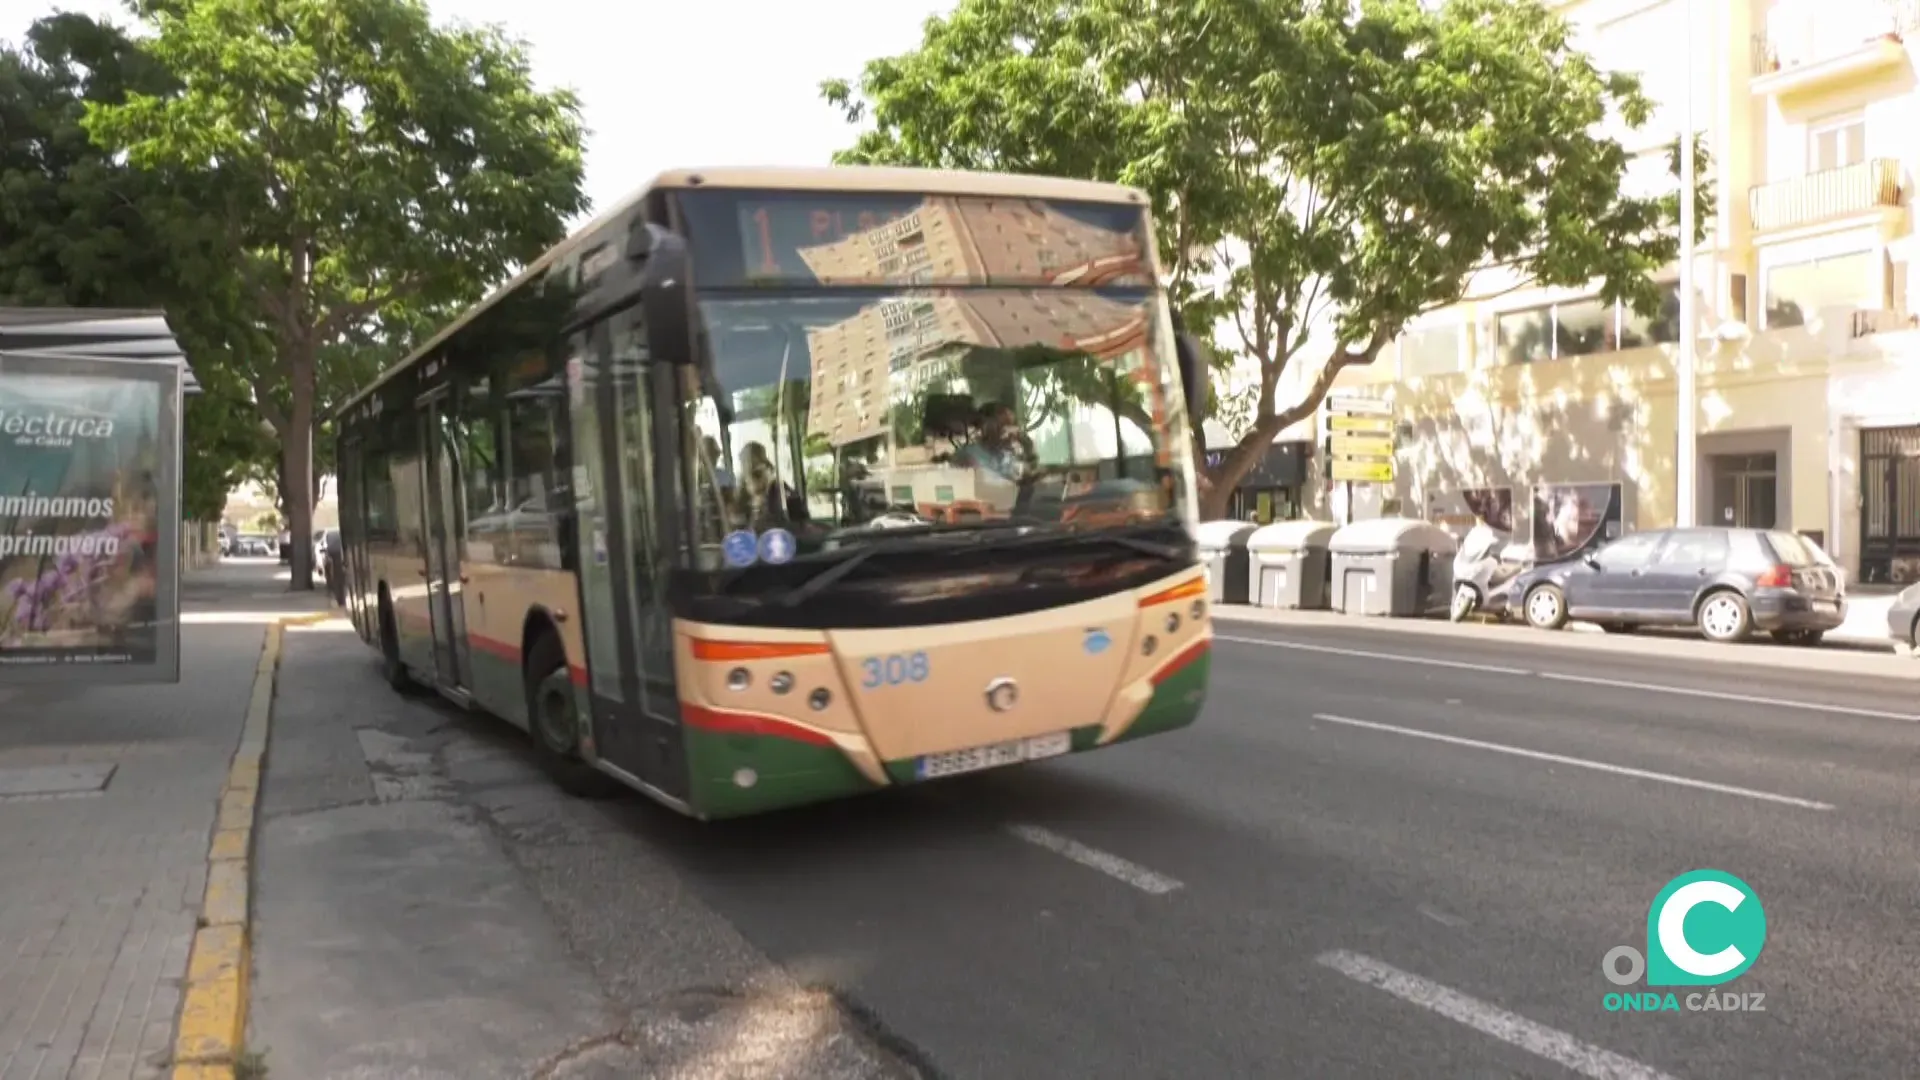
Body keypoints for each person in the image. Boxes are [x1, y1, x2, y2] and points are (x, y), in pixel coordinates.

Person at [951, 401, 1037, 483]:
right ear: (985, 427)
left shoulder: (1009, 457)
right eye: (1003, 424)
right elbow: (982, 485)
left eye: (1012, 424)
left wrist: (1028, 446)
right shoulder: (967, 455)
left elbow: (1030, 477)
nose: (1011, 431)